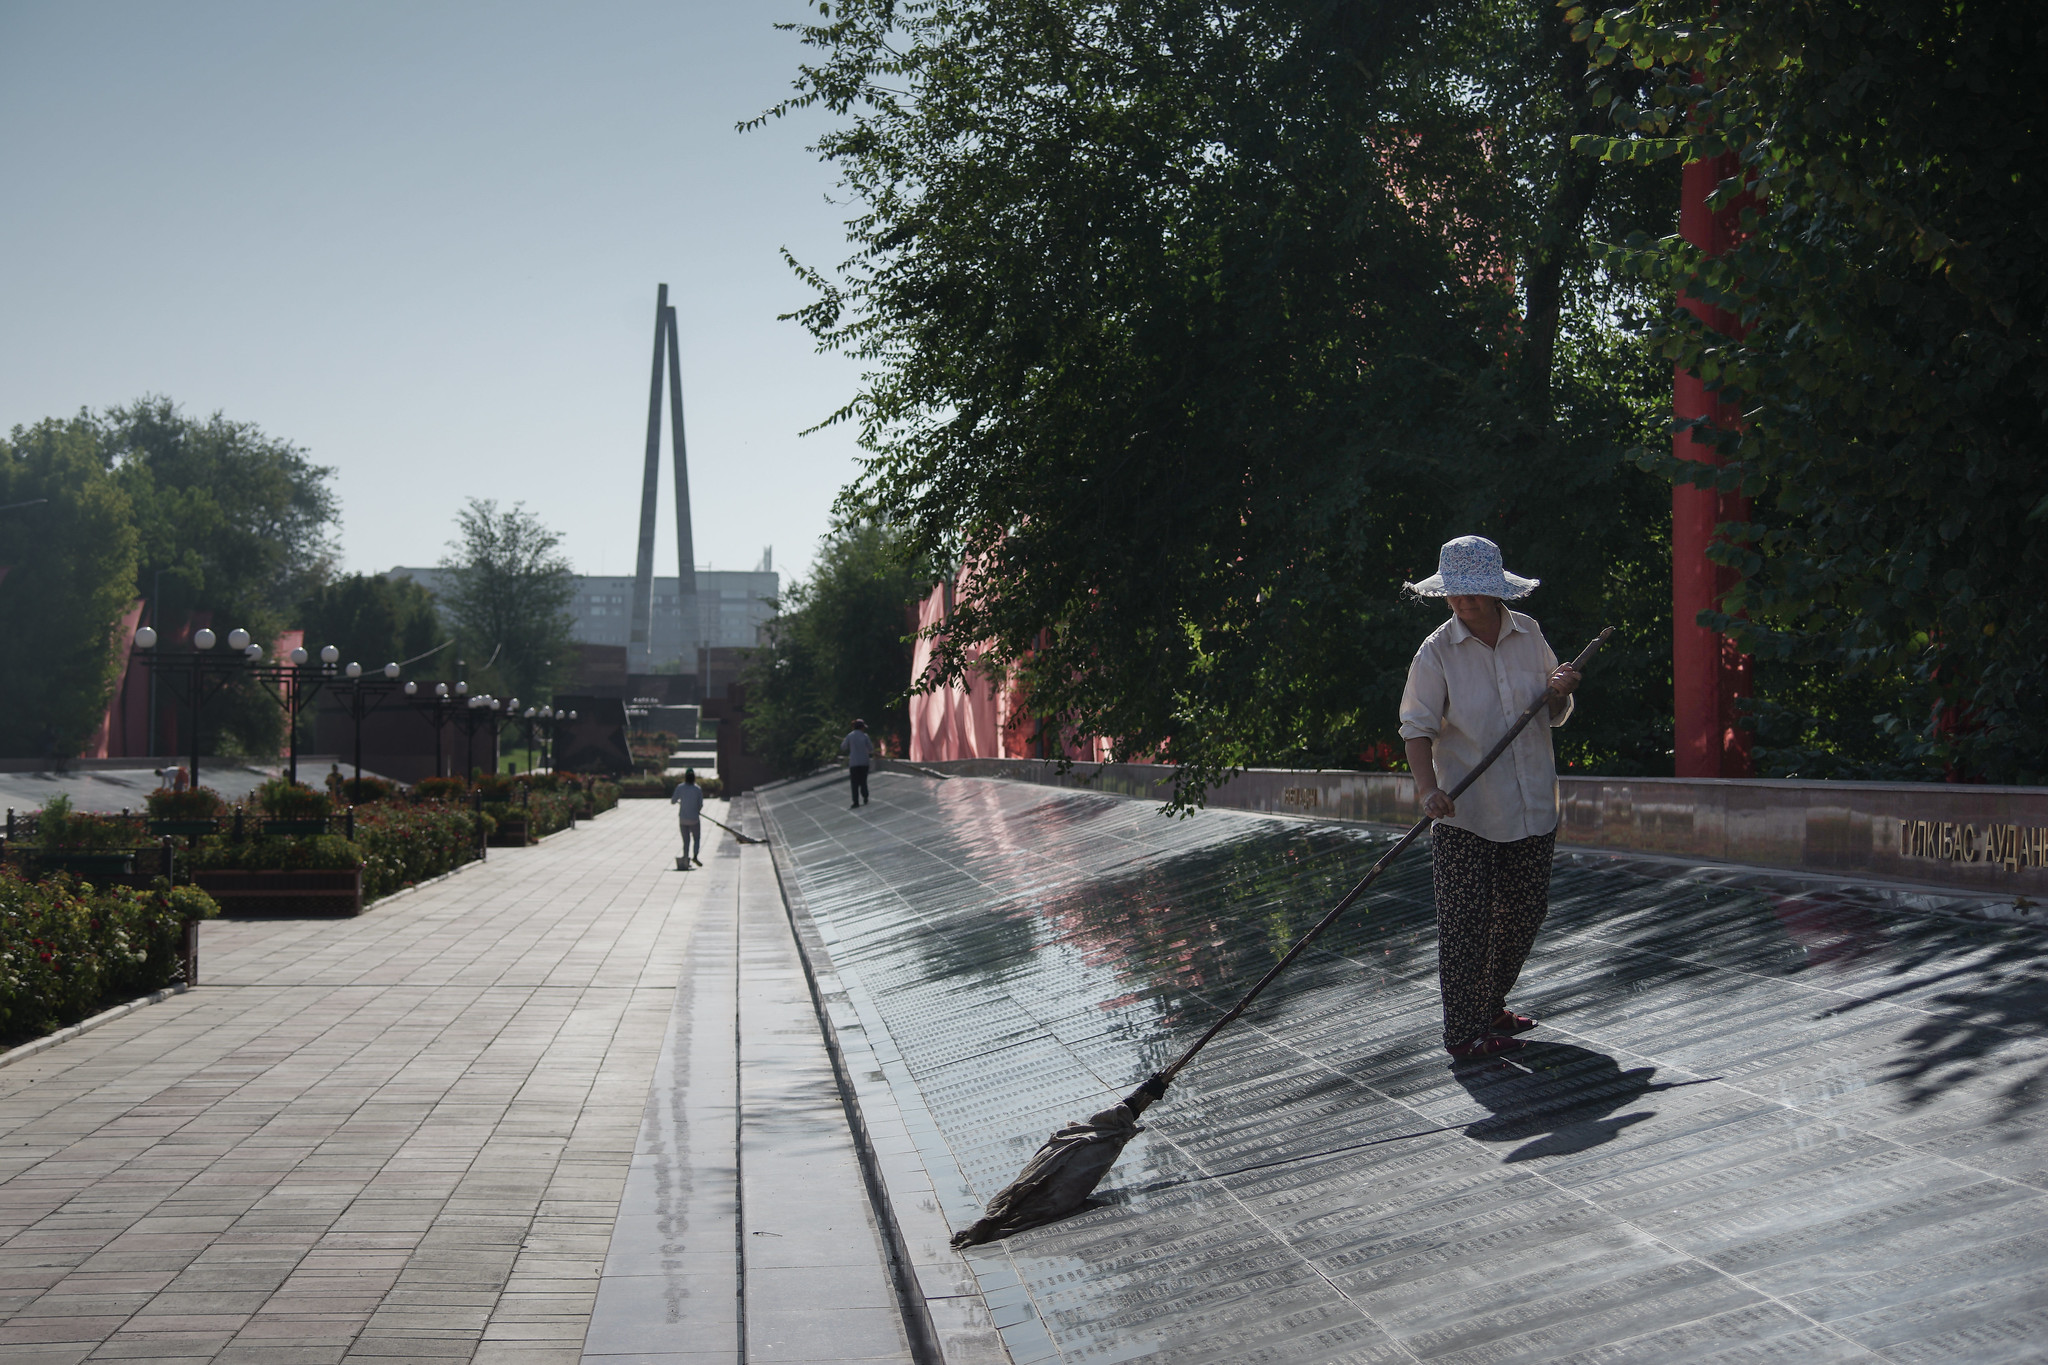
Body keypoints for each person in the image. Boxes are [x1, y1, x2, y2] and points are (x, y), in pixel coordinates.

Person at [1398, 535, 1580, 1062]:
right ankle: (1463, 1033)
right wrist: (1428, 790)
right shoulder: (1436, 653)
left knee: (1526, 911)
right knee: (1465, 923)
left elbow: (1551, 703)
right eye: (1456, 594)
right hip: (1465, 812)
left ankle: (1490, 1004)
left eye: (1473, 594)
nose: (1463, 603)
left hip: (1530, 803)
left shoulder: (1529, 635)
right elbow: (1416, 728)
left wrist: (1561, 689)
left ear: (1497, 592)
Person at [671, 768, 705, 867]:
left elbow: (673, 801)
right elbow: (700, 804)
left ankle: (685, 858)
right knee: (696, 838)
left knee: (686, 841)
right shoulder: (697, 789)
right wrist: (697, 810)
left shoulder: (680, 787)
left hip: (683, 819)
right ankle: (695, 855)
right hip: (694, 818)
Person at [840, 719, 872, 808]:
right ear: (861, 727)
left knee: (854, 783)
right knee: (863, 781)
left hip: (854, 763)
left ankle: (856, 801)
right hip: (864, 762)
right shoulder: (865, 736)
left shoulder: (849, 736)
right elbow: (870, 748)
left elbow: (843, 747)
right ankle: (865, 796)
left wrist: (847, 741)